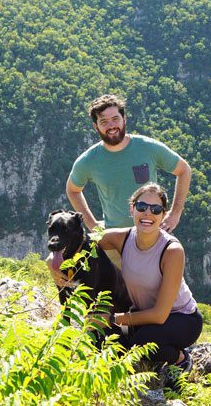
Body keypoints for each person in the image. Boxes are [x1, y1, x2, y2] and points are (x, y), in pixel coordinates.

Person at [51, 183, 202, 385]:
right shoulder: (121, 238)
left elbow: (159, 314)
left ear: (163, 215)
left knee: (142, 343)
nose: (148, 213)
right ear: (132, 209)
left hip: (181, 318)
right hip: (142, 316)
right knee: (110, 344)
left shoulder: (172, 250)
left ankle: (181, 359)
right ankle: (154, 353)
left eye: (156, 209)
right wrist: (53, 260)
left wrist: (111, 318)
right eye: (141, 207)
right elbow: (80, 242)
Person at [66, 94, 191, 233]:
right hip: (114, 240)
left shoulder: (147, 147)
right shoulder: (89, 160)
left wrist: (175, 214)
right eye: (104, 122)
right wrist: (92, 224)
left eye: (115, 119)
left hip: (152, 236)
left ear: (124, 119)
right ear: (96, 127)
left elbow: (184, 170)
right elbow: (72, 190)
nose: (111, 126)